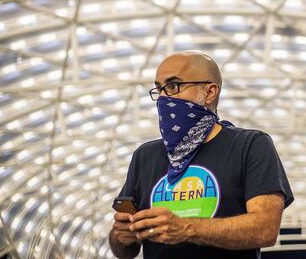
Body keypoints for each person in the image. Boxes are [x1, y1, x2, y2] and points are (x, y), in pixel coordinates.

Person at [109, 51, 294, 258]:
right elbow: (125, 251)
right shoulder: (145, 156)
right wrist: (122, 236)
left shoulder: (250, 145)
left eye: (173, 86)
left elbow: (265, 229)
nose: (162, 98)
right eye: (159, 88)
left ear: (210, 92)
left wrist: (186, 228)